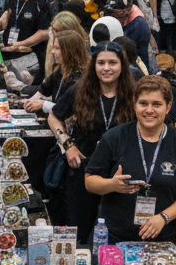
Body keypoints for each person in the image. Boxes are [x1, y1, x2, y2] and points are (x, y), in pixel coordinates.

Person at [84, 76, 176, 244]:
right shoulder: (114, 138)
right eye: (143, 103)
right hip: (114, 238)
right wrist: (110, 185)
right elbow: (89, 181)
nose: (149, 110)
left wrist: (164, 217)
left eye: (157, 104)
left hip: (163, 239)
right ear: (134, 105)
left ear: (168, 107)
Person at [48, 41, 135, 246]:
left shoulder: (133, 93)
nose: (106, 68)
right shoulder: (80, 89)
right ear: (93, 65)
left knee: (115, 233)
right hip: (83, 170)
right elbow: (54, 117)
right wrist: (67, 145)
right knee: (80, 232)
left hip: (119, 173)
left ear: (122, 65)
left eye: (112, 63)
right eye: (101, 62)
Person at [25, 30, 89, 115]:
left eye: (57, 48)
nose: (52, 52)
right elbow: (44, 89)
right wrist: (29, 102)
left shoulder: (80, 78)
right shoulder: (59, 69)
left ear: (70, 51)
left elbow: (68, 110)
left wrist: (44, 104)